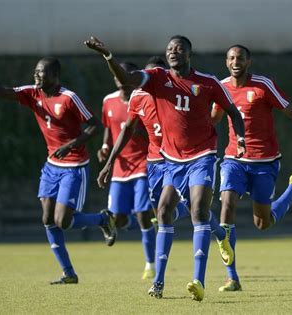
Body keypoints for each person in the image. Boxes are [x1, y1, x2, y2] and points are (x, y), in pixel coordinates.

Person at [85, 36, 246, 301]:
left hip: (202, 155)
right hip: (169, 160)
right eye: (169, 49)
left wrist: (239, 139)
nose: (173, 52)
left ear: (189, 54)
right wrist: (107, 56)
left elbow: (232, 112)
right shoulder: (156, 79)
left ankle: (198, 280)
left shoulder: (207, 82)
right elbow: (128, 82)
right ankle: (158, 281)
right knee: (163, 211)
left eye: (179, 48)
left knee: (197, 210)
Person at [0, 57, 117, 285]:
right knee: (47, 219)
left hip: (74, 167)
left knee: (63, 221)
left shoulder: (68, 98)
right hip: (51, 166)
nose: (36, 76)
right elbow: (2, 91)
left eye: (42, 73)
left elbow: (96, 125)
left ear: (55, 76)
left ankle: (102, 219)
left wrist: (70, 145)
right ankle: (68, 273)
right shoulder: (32, 93)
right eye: (36, 72)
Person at [211, 45, 292, 292]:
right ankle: (232, 277)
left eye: (240, 58)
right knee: (227, 203)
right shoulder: (221, 88)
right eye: (231, 58)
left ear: (248, 61)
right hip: (234, 159)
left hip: (265, 162)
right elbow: (212, 120)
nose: (235, 62)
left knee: (262, 224)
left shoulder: (263, 85)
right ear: (226, 61)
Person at [98, 61, 156, 280]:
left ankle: (150, 264)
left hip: (142, 163)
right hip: (120, 169)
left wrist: (137, 131)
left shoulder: (143, 98)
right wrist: (105, 147)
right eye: (117, 77)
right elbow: (108, 127)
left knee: (143, 214)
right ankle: (128, 221)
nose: (121, 80)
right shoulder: (108, 101)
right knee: (118, 219)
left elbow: (153, 131)